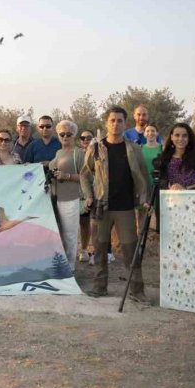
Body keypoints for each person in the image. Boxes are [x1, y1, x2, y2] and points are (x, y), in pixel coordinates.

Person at [82, 106, 150, 302]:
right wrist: (88, 195)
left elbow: (143, 176)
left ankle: (137, 292)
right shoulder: (96, 147)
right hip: (101, 207)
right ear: (106, 123)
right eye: (112, 120)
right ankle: (99, 287)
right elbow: (85, 175)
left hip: (125, 207)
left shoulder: (134, 148)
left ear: (125, 123)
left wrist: (143, 199)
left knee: (130, 250)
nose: (116, 124)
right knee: (100, 248)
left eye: (120, 120)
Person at [49, 120, 88, 268]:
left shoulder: (79, 153)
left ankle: (70, 268)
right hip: (55, 198)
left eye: (69, 134)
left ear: (74, 135)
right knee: (58, 234)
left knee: (70, 236)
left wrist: (67, 176)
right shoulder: (59, 152)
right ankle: (60, 265)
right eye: (62, 134)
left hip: (71, 199)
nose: (65, 137)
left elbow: (86, 177)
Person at [159, 123, 195, 190]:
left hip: (193, 198)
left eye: (184, 136)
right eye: (177, 135)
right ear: (171, 137)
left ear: (189, 138)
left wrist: (186, 189)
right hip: (173, 198)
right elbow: (162, 181)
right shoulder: (165, 157)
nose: (180, 138)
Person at [77, 129, 95, 264]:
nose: (85, 140)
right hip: (74, 192)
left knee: (88, 223)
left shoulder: (97, 153)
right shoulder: (75, 153)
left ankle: (86, 250)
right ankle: (77, 250)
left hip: (92, 191)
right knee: (74, 223)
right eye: (83, 138)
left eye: (89, 138)